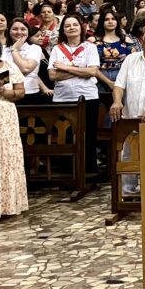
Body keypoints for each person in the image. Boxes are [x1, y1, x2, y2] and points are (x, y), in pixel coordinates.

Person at [49, 14, 101, 174]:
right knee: (65, 134)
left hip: (88, 97)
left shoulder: (89, 48)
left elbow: (92, 71)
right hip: (63, 98)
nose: (71, 28)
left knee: (88, 134)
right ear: (63, 30)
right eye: (67, 25)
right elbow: (53, 75)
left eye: (75, 25)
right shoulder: (57, 49)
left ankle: (88, 170)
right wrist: (80, 69)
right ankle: (67, 170)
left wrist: (66, 67)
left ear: (82, 27)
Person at [0, 34, 29, 218]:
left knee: (4, 154)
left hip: (4, 112)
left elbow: (21, 92)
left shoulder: (8, 66)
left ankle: (6, 204)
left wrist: (5, 91)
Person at [4, 19, 49, 103]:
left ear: (28, 32)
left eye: (23, 29)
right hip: (7, 93)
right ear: (9, 31)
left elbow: (25, 69)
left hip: (29, 93)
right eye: (15, 29)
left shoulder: (34, 48)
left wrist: (14, 50)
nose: (19, 32)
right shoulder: (2, 49)